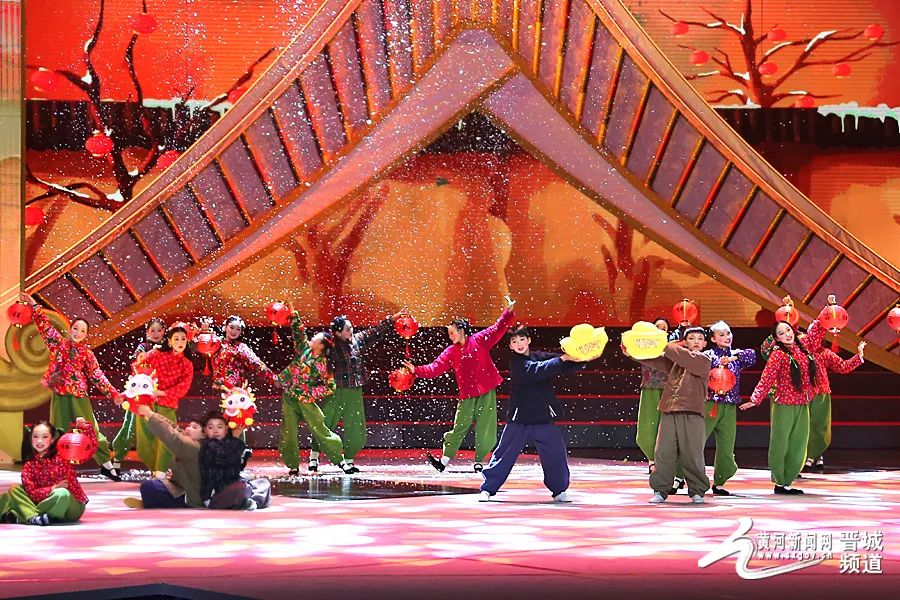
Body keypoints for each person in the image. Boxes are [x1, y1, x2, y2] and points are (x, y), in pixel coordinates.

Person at [403, 296, 517, 473]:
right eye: (449, 334)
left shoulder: (479, 339)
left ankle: (479, 461)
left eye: (452, 333)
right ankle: (444, 461)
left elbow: (497, 328)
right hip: (467, 394)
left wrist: (507, 313)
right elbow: (434, 368)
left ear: (462, 330)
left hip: (486, 390)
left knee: (485, 425)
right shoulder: (451, 352)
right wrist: (416, 370)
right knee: (459, 426)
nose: (450, 337)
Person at [18, 292, 124, 481]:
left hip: (78, 396)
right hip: (60, 395)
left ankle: (107, 466)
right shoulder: (59, 344)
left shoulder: (87, 354)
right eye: (76, 328)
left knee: (91, 430)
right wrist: (33, 305)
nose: (78, 333)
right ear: (70, 329)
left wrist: (113, 393)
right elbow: (45, 327)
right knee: (58, 432)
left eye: (82, 331)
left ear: (86, 335)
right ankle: (56, 471)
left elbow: (97, 375)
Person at [479, 325, 586, 503]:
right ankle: (488, 489)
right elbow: (536, 370)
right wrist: (561, 360)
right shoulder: (516, 362)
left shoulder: (540, 356)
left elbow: (563, 365)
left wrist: (582, 358)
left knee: (555, 455)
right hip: (520, 420)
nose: (519, 344)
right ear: (510, 346)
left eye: (522, 339)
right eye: (514, 341)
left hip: (543, 418)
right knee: (504, 455)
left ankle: (559, 490)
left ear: (529, 340)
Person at [740, 296, 833, 495]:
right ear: (777, 339)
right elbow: (767, 378)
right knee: (781, 441)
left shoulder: (804, 346)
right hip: (784, 403)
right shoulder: (778, 355)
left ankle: (788, 480)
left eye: (788, 330)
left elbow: (816, 330)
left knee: (799, 442)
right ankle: (779, 480)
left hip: (802, 403)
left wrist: (828, 310)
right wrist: (755, 399)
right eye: (781, 333)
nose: (787, 335)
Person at [310, 307, 405, 472]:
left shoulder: (356, 340)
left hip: (354, 390)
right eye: (347, 329)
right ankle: (314, 456)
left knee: (355, 425)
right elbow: (314, 359)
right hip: (336, 390)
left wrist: (392, 319)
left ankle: (349, 459)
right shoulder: (330, 347)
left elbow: (375, 332)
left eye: (351, 327)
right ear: (338, 333)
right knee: (325, 423)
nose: (351, 330)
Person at [626, 327, 711, 504]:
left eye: (700, 338)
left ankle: (697, 490)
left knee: (692, 454)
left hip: (692, 413)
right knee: (663, 452)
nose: (696, 341)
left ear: (705, 343)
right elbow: (655, 361)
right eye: (691, 338)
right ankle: (660, 489)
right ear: (685, 342)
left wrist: (665, 343)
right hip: (669, 411)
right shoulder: (676, 362)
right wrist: (633, 353)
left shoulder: (704, 360)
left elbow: (681, 355)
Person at [278, 308, 358, 476]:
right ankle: (293, 464)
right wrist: (294, 315)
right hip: (290, 397)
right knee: (289, 432)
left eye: (316, 338)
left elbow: (330, 386)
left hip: (305, 400)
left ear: (320, 345)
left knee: (320, 429)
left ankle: (340, 460)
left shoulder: (322, 364)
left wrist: (310, 394)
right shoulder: (304, 350)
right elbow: (299, 334)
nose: (312, 338)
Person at [0, 418, 96, 525]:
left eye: (45, 437)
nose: (39, 441)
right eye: (35, 436)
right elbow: (32, 494)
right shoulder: (29, 466)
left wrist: (84, 426)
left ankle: (23, 515)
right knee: (14, 490)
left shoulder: (62, 455)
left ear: (52, 439)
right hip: (45, 504)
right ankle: (34, 517)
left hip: (69, 506)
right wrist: (52, 488)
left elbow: (89, 448)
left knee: (62, 493)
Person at [702, 320, 757, 496]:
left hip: (730, 406)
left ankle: (719, 482)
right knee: (696, 442)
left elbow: (752, 356)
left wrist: (733, 358)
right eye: (722, 334)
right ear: (713, 338)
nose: (727, 337)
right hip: (710, 404)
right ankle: (680, 476)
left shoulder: (736, 355)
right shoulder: (708, 355)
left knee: (726, 446)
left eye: (728, 333)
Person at [133, 323, 194, 475]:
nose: (180, 342)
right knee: (145, 438)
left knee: (167, 438)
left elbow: (183, 387)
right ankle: (153, 469)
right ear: (169, 341)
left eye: (183, 339)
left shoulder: (187, 364)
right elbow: (139, 369)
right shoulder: (156, 354)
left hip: (167, 403)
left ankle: (161, 471)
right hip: (147, 401)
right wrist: (139, 361)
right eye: (176, 339)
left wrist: (161, 393)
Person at [123, 404, 204, 509]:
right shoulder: (191, 443)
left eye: (194, 427)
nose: (188, 428)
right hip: (183, 490)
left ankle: (154, 503)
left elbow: (169, 434)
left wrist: (149, 414)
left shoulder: (194, 446)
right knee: (153, 484)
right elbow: (172, 427)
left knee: (149, 487)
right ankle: (153, 502)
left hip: (189, 497)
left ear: (203, 434)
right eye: (189, 425)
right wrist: (150, 415)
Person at [112, 317, 165, 473]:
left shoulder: (167, 348)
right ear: (147, 332)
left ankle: (157, 464)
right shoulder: (142, 348)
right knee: (130, 426)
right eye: (152, 330)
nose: (156, 333)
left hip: (156, 395)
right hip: (138, 394)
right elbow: (137, 365)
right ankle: (118, 457)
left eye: (159, 330)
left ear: (164, 332)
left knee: (156, 427)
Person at [804, 341, 865, 473]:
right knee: (805, 425)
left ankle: (814, 455)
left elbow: (842, 366)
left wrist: (859, 355)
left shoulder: (824, 353)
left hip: (821, 393)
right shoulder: (798, 352)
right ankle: (810, 454)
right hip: (801, 394)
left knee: (819, 424)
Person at [198, 412, 259, 510]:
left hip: (231, 488)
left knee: (262, 483)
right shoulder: (209, 445)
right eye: (210, 427)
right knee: (241, 488)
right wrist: (236, 436)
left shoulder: (228, 442)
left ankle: (247, 500)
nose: (215, 431)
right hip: (215, 495)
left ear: (226, 429)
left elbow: (238, 468)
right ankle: (248, 500)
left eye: (219, 427)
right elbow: (226, 459)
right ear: (205, 430)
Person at [635, 317, 670, 474]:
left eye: (664, 328)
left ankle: (666, 462)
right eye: (657, 326)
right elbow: (633, 353)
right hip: (649, 388)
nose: (660, 330)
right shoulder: (644, 345)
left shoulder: (671, 346)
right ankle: (651, 460)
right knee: (647, 427)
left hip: (668, 390)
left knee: (667, 427)